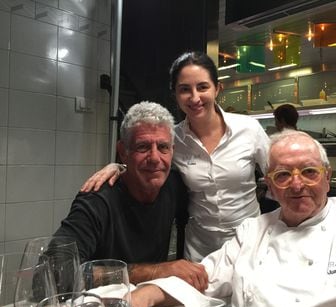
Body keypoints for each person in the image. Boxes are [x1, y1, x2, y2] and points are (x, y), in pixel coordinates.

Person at [129, 129, 336, 307]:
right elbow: (206, 278)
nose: (297, 184)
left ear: (327, 177)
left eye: (309, 172)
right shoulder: (253, 231)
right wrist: (147, 295)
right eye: (283, 176)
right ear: (270, 186)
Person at [81, 51, 270, 262]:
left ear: (217, 88)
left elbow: (280, 172)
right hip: (201, 251)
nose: (195, 97)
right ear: (176, 95)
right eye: (185, 90)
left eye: (203, 87)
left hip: (250, 244)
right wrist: (119, 165)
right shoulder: (173, 139)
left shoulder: (249, 129)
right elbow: (151, 162)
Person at [54, 101, 208, 289]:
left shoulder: (174, 186)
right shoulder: (98, 200)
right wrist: (157, 271)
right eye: (142, 147)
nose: (154, 158)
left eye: (163, 147)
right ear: (122, 152)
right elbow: (55, 272)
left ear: (172, 151)